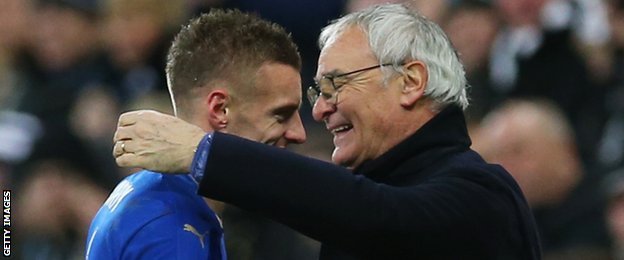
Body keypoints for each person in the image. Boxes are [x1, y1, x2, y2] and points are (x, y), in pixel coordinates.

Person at [113, 4, 542, 259]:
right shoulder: (359, 203)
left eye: (336, 84)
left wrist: (207, 152)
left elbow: (381, 217)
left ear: (410, 81)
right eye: (319, 91)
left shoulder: (484, 193)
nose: (318, 110)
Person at [87, 9, 306, 259]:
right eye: (281, 114)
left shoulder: (154, 195)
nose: (299, 133)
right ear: (220, 110)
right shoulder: (174, 228)